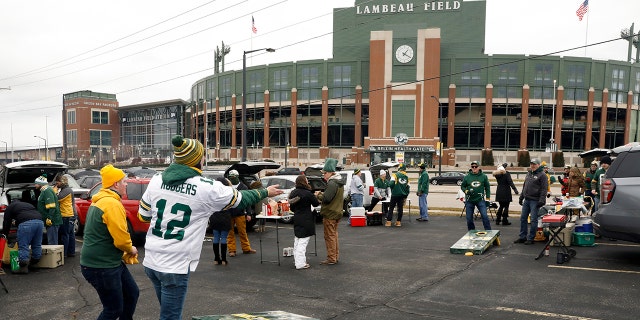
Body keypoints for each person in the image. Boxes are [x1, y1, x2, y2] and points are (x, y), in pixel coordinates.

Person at [138, 135, 282, 320]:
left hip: (151, 260)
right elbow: (240, 199)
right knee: (170, 317)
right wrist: (264, 191)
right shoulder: (205, 187)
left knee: (166, 312)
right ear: (197, 159)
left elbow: (143, 215)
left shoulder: (157, 179)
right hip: (175, 264)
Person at [80, 164, 140, 320]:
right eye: (124, 181)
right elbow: (121, 239)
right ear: (115, 184)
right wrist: (131, 248)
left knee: (132, 293)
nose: (126, 184)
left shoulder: (101, 200)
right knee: (113, 309)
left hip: (108, 263)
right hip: (101, 266)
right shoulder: (111, 204)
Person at [2, 195, 43, 274]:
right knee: (37, 244)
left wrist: (5, 234)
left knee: (23, 245)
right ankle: (34, 264)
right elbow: (26, 215)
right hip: (39, 222)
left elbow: (6, 222)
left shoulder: (10, 207)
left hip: (26, 224)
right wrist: (17, 222)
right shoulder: (28, 205)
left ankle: (23, 268)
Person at [316, 158, 344, 265]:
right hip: (337, 212)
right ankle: (335, 256)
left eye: (325, 173)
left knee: (329, 236)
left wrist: (318, 194)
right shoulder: (339, 182)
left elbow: (327, 198)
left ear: (330, 172)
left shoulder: (332, 183)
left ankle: (331, 258)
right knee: (334, 235)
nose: (324, 175)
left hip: (330, 213)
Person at [289, 175, 321, 270]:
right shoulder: (307, 193)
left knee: (297, 240)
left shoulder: (293, 193)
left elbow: (292, 208)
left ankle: (298, 261)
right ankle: (300, 264)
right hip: (306, 218)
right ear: (304, 182)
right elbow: (315, 203)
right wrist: (315, 195)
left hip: (297, 217)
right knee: (303, 242)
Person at [515, 158, 548, 245]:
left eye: (534, 164)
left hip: (535, 200)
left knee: (533, 219)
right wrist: (521, 197)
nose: (532, 165)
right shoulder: (529, 173)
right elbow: (525, 186)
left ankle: (531, 237)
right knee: (523, 218)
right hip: (527, 199)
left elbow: (544, 189)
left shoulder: (542, 175)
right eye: (531, 164)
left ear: (538, 165)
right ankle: (522, 236)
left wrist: (542, 200)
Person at [226, 169, 257, 257]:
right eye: (230, 177)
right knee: (230, 233)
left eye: (233, 177)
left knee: (242, 232)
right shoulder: (227, 187)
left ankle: (246, 248)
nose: (232, 179)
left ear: (237, 177)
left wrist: (249, 213)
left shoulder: (244, 187)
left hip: (240, 213)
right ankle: (232, 250)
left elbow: (247, 201)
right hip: (229, 213)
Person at [460, 160, 492, 231]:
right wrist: (466, 191)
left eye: (475, 166)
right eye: (472, 166)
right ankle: (471, 232)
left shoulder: (484, 176)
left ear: (479, 167)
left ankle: (488, 231)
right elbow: (462, 186)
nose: (474, 168)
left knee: (484, 216)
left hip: (480, 200)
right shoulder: (467, 177)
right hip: (469, 200)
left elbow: (487, 188)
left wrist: (488, 199)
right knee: (469, 218)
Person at [210, 177, 232, 266]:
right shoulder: (228, 192)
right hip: (225, 216)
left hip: (215, 216)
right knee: (223, 238)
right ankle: (224, 259)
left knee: (216, 237)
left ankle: (216, 259)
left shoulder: (212, 193)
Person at [34, 175, 62, 245]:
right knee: (51, 241)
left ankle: (54, 256)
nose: (35, 185)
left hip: (52, 221)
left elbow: (52, 206)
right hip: (48, 221)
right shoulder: (44, 191)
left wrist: (49, 218)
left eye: (36, 183)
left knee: (52, 242)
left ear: (40, 184)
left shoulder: (47, 191)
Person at [54, 174, 77, 257]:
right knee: (70, 234)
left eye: (58, 182)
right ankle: (71, 252)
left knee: (65, 234)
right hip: (70, 214)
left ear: (62, 182)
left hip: (67, 214)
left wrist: (55, 190)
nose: (56, 183)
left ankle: (64, 253)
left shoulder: (66, 190)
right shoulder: (66, 189)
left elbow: (57, 198)